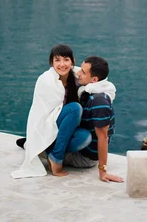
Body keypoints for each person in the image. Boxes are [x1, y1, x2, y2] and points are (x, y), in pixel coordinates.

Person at [12, 50, 123, 183]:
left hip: (84, 156)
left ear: (94, 79)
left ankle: (45, 151)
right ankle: (38, 146)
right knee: (76, 116)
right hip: (76, 145)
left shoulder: (99, 101)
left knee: (84, 135)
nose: (78, 73)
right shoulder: (87, 89)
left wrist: (103, 170)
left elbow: (103, 137)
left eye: (82, 71)